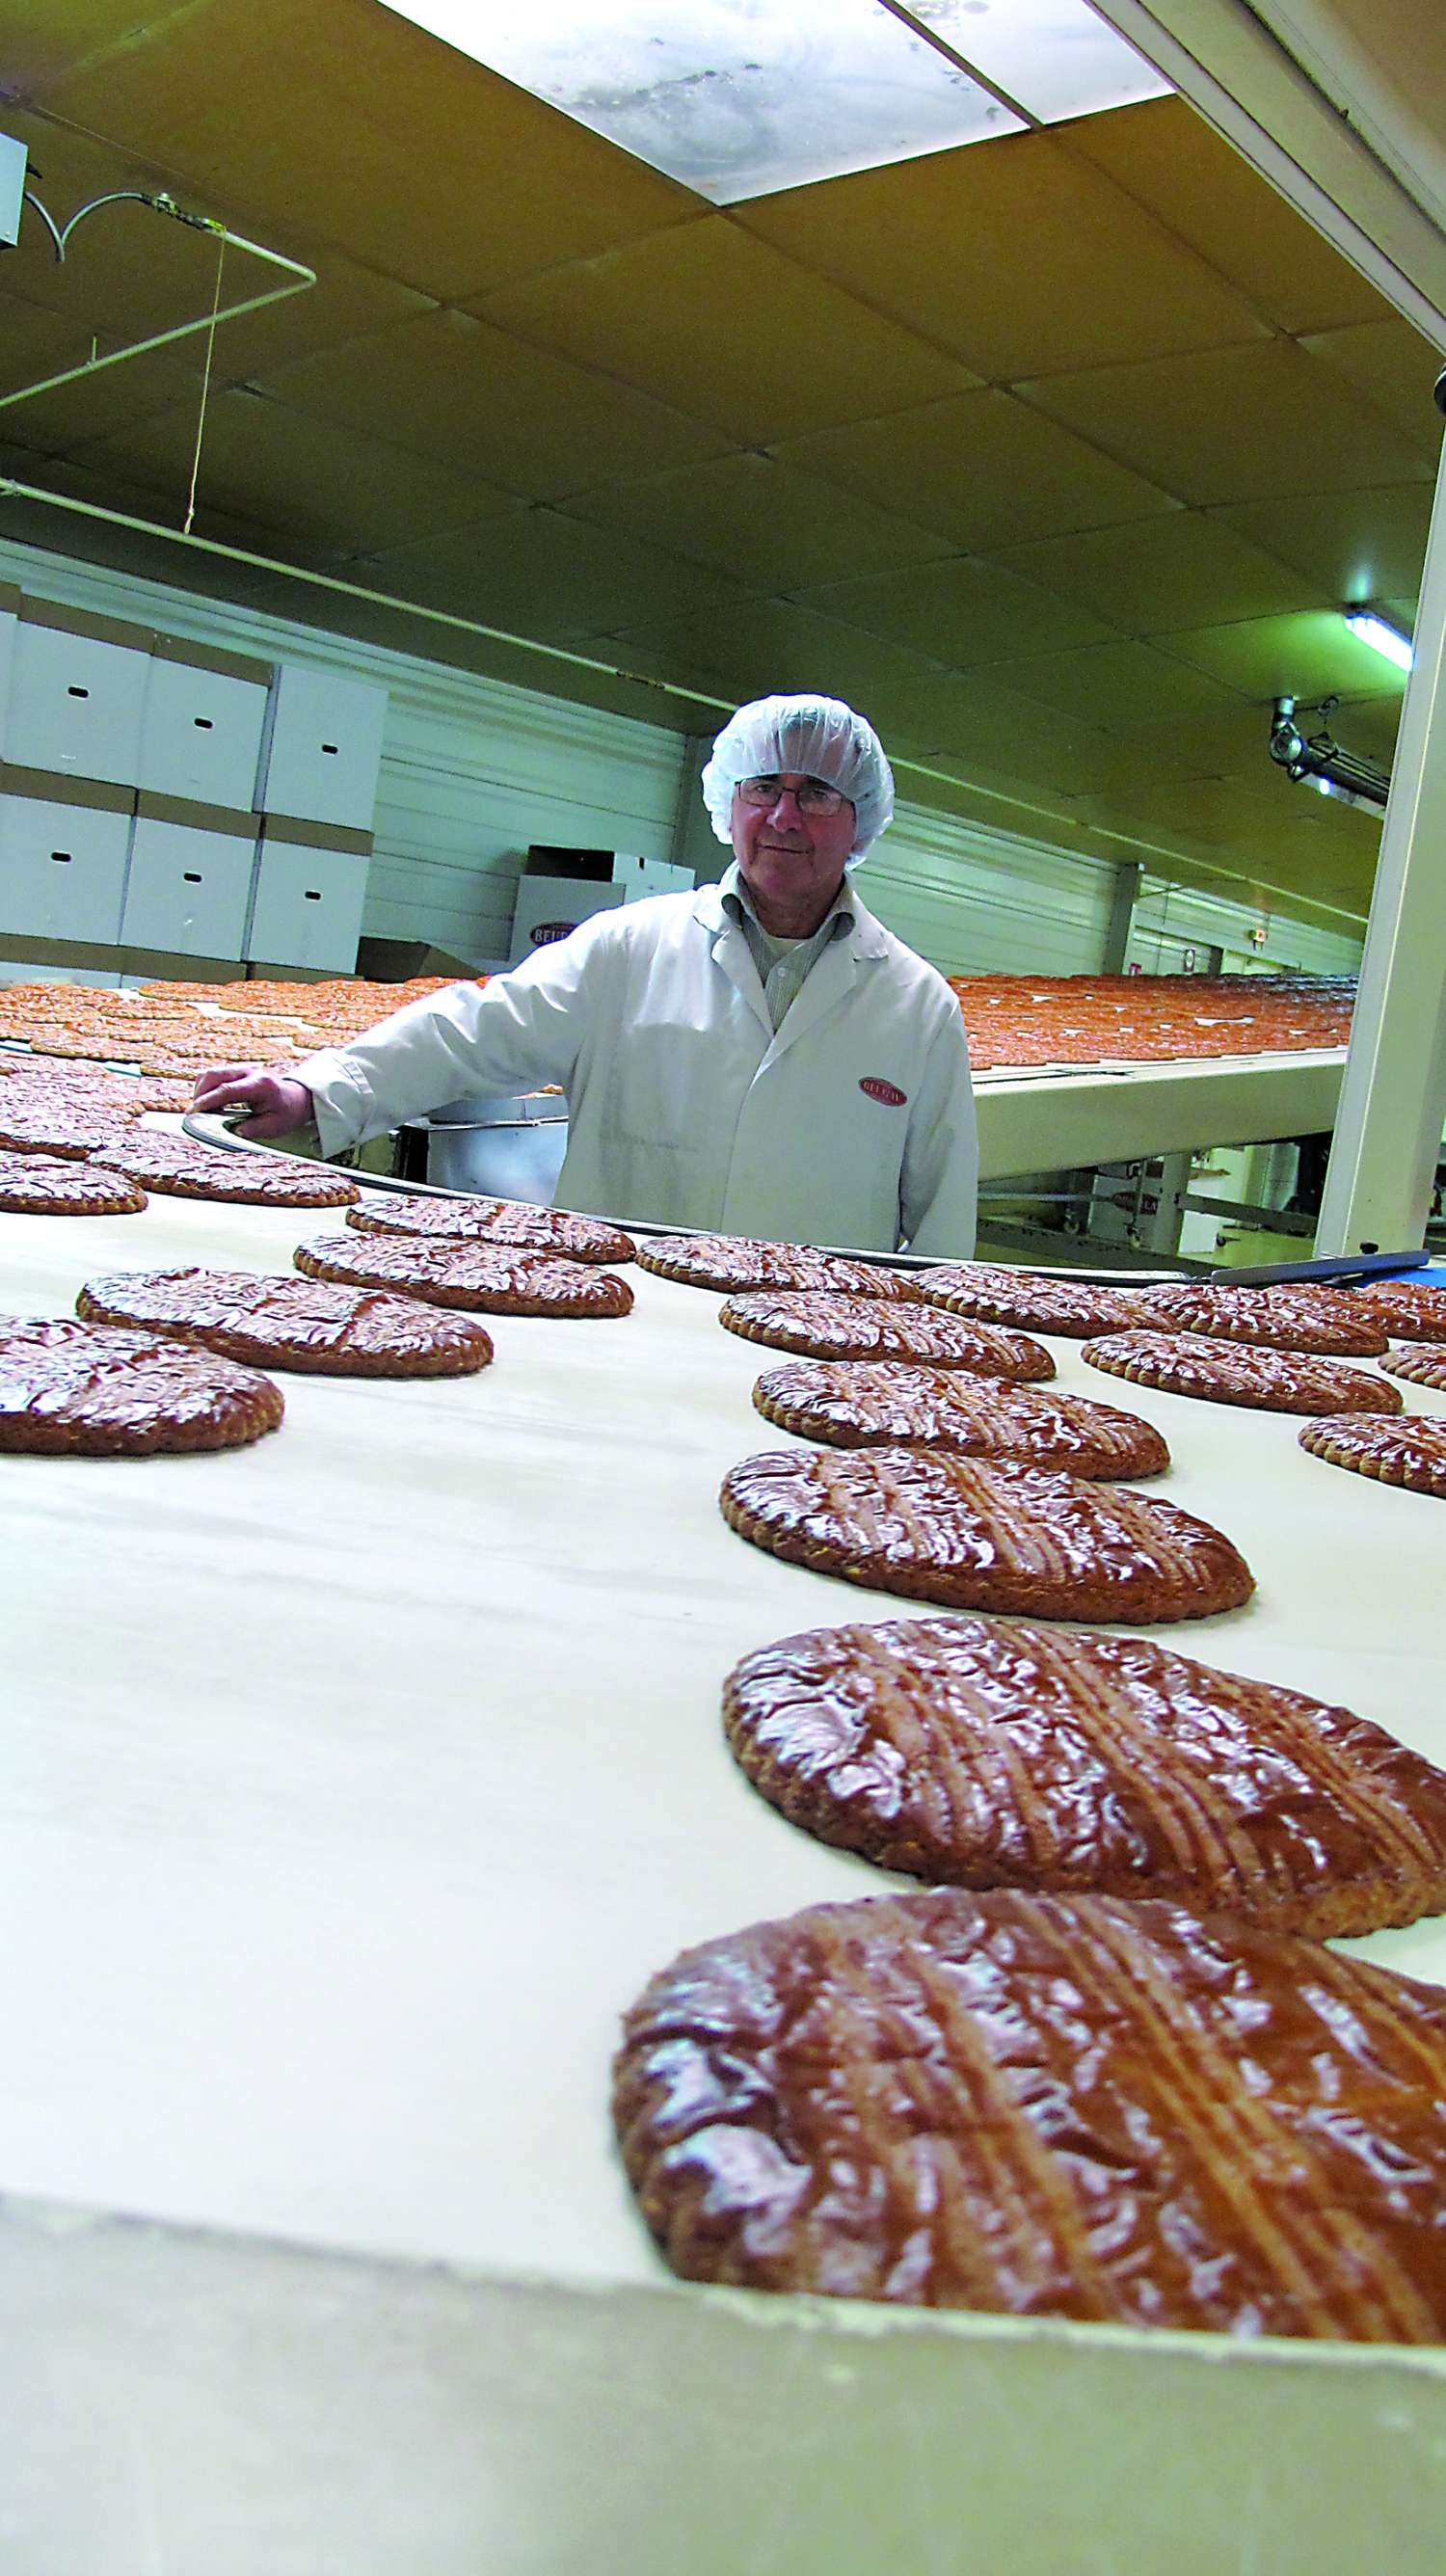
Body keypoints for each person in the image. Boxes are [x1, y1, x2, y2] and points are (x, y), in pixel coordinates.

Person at [194, 694, 977, 1256]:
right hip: (630, 1312)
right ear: (729, 804)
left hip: (814, 1351)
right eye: (763, 787)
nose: (783, 817)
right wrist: (321, 1091)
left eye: (815, 794)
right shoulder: (629, 947)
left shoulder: (916, 1007)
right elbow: (475, 1033)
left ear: (860, 820)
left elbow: (942, 1216)